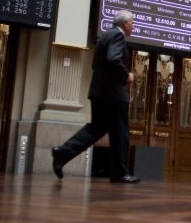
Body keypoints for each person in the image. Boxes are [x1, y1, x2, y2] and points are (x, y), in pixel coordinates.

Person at [51, 10, 141, 183]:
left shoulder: (105, 36)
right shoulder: (118, 37)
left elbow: (95, 64)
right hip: (113, 96)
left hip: (99, 93)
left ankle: (63, 152)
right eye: (132, 22)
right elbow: (113, 60)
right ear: (124, 23)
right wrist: (126, 76)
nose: (134, 26)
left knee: (97, 128)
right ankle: (119, 173)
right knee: (120, 133)